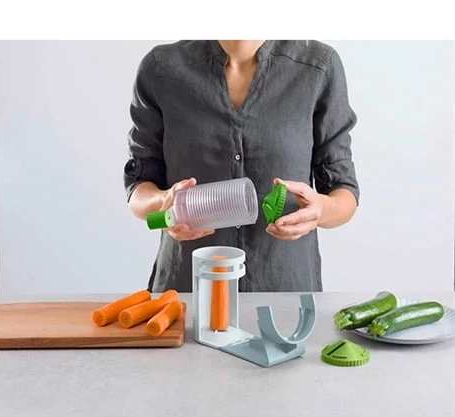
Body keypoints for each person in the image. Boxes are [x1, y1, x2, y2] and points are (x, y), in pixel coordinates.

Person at [124, 40, 359, 292]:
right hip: (188, 292)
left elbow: (344, 192)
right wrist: (163, 204)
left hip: (284, 292)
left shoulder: (318, 67)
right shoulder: (161, 69)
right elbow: (138, 191)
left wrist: (320, 210)